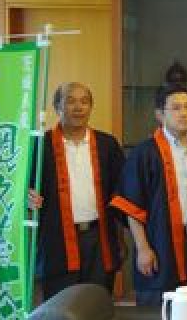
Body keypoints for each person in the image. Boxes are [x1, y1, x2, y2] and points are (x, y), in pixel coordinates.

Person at [111, 83, 187, 305]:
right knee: (157, 312)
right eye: (176, 108)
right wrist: (143, 249)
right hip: (159, 243)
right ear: (160, 114)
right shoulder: (144, 153)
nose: (184, 113)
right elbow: (132, 206)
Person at [29, 82, 124, 300]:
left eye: (84, 101)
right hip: (56, 240)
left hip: (99, 237)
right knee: (61, 305)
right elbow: (23, 187)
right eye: (70, 101)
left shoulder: (107, 144)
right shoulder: (40, 145)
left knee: (97, 302)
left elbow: (122, 189)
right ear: (57, 107)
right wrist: (27, 196)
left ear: (91, 107)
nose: (78, 107)